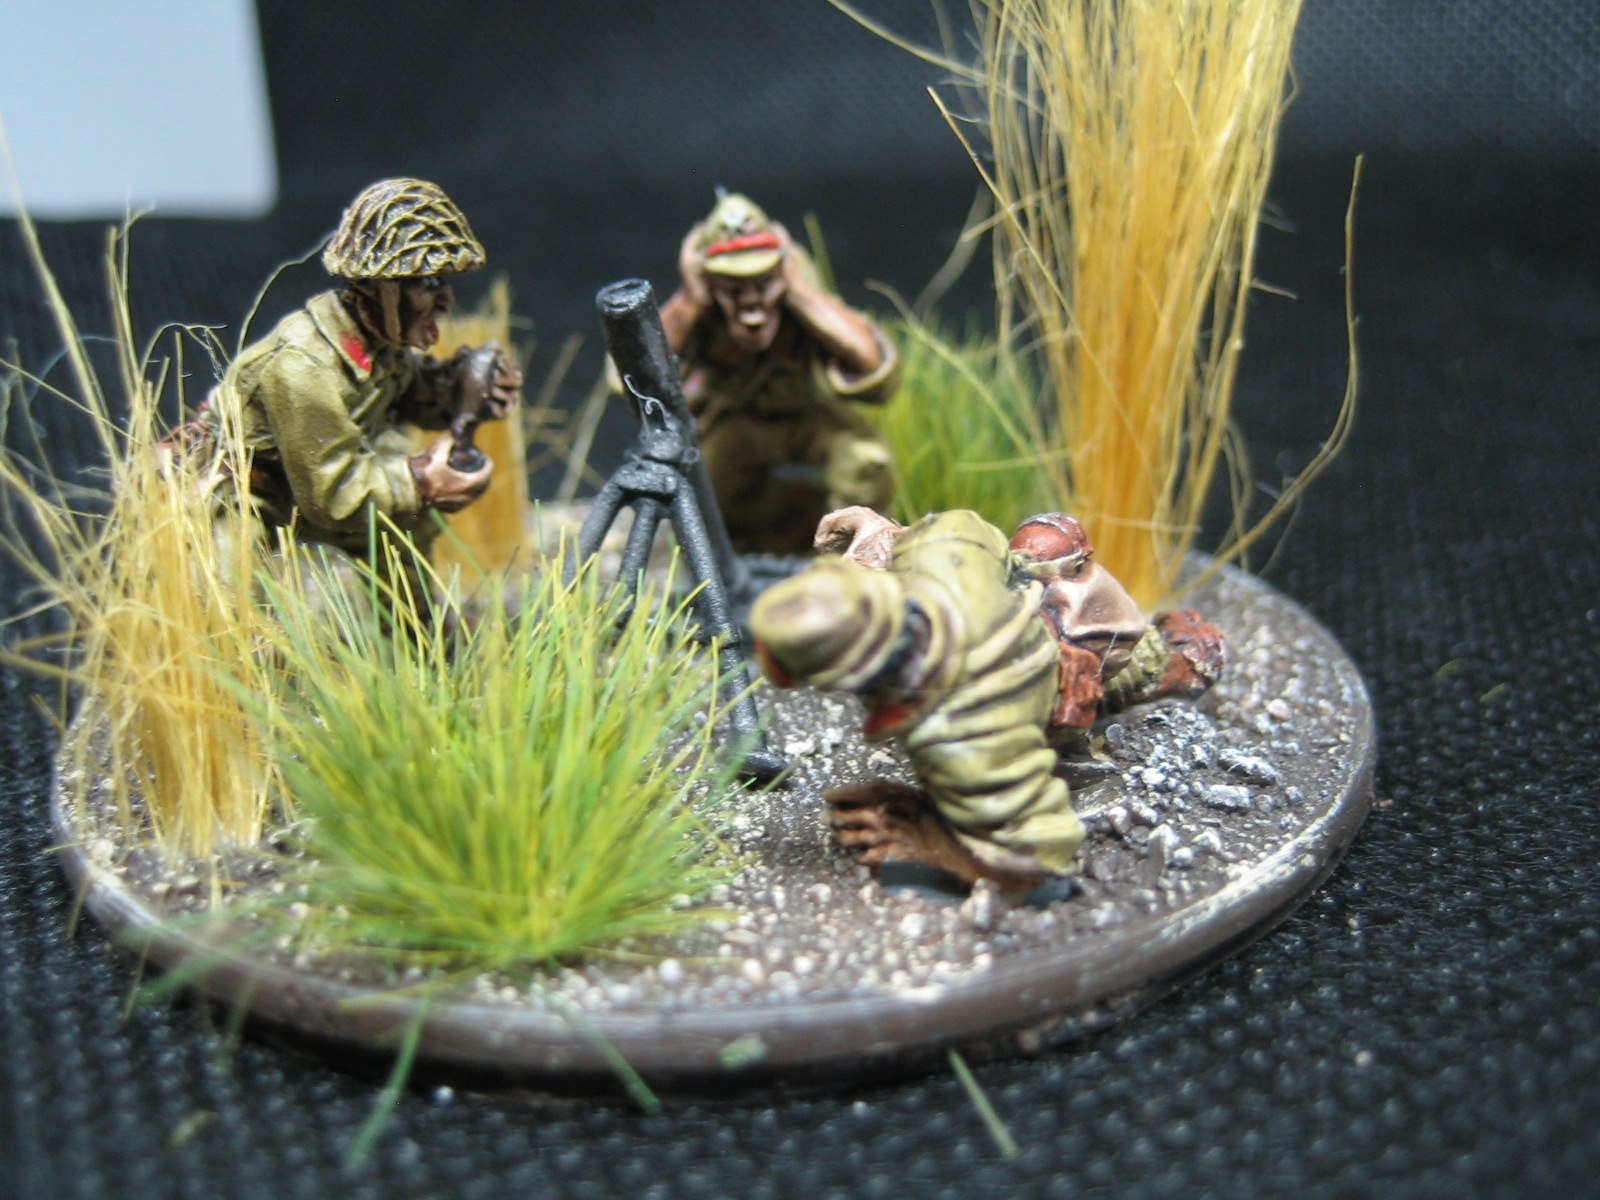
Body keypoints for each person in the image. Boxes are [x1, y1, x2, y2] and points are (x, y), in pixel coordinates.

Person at [752, 506, 1225, 891]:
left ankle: (1190, 659)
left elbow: (1043, 849)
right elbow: (953, 540)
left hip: (1066, 671)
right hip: (1046, 621)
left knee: (1162, 669)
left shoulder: (965, 736)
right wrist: (882, 538)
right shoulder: (947, 544)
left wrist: (930, 836)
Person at [203, 178, 521, 612]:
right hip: (245, 494)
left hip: (304, 487)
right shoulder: (302, 368)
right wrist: (421, 479)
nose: (446, 298)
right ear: (380, 288)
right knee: (232, 603)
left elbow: (405, 399)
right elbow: (334, 496)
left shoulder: (382, 341)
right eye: (428, 282)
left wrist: (458, 391)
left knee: (402, 529)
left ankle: (416, 642)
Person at [657, 191, 899, 553]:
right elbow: (633, 374)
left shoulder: (802, 306)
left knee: (866, 461)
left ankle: (854, 561)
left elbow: (873, 365)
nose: (750, 301)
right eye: (732, 287)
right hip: (737, 423)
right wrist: (691, 303)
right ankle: (773, 532)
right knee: (696, 488)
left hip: (811, 416)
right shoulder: (700, 314)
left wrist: (799, 292)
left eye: (763, 283)